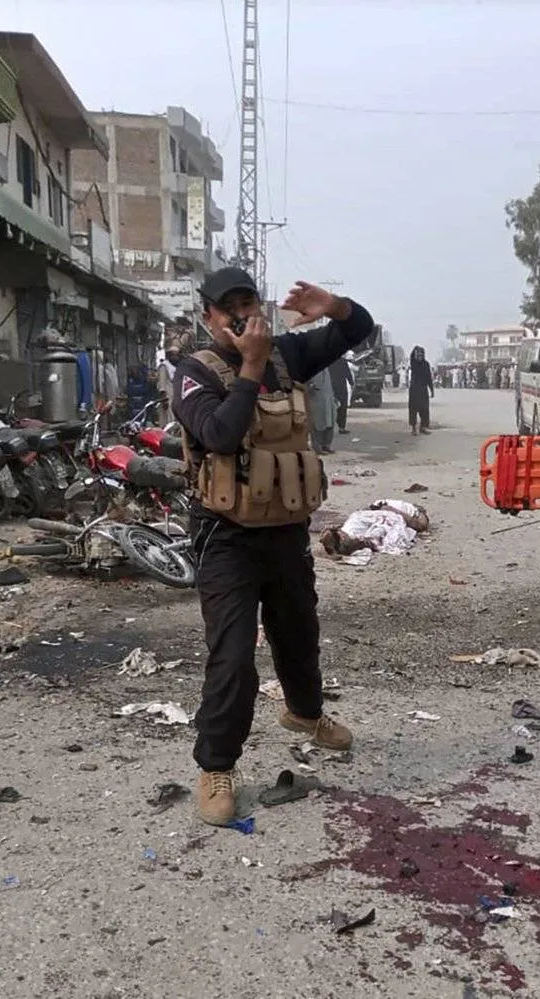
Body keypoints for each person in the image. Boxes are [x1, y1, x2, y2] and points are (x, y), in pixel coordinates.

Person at [170, 266, 374, 826]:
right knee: (233, 657)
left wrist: (333, 305)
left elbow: (359, 332)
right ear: (208, 315)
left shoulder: (286, 354)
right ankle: (215, 765)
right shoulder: (194, 373)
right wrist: (251, 367)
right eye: (227, 306)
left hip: (284, 527)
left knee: (298, 632)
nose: (240, 313)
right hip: (226, 536)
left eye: (247, 301)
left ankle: (306, 715)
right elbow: (219, 435)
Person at [307, 366, 336, 454]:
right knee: (318, 422)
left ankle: (326, 444)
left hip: (328, 395)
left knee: (329, 421)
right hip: (316, 396)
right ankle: (317, 446)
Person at [408, 345, 434, 433]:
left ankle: (423, 427)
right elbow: (411, 357)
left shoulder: (426, 364)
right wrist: (415, 348)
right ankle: (413, 428)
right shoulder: (413, 363)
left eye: (421, 354)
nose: (420, 356)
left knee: (425, 409)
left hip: (423, 390)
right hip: (414, 390)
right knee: (413, 410)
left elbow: (429, 378)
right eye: (418, 354)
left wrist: (432, 390)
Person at [329, 355, 352, 434]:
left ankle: (330, 426)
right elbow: (347, 373)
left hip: (330, 387)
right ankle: (341, 427)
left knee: (331, 407)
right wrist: (351, 382)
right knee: (343, 407)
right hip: (341, 386)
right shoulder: (342, 361)